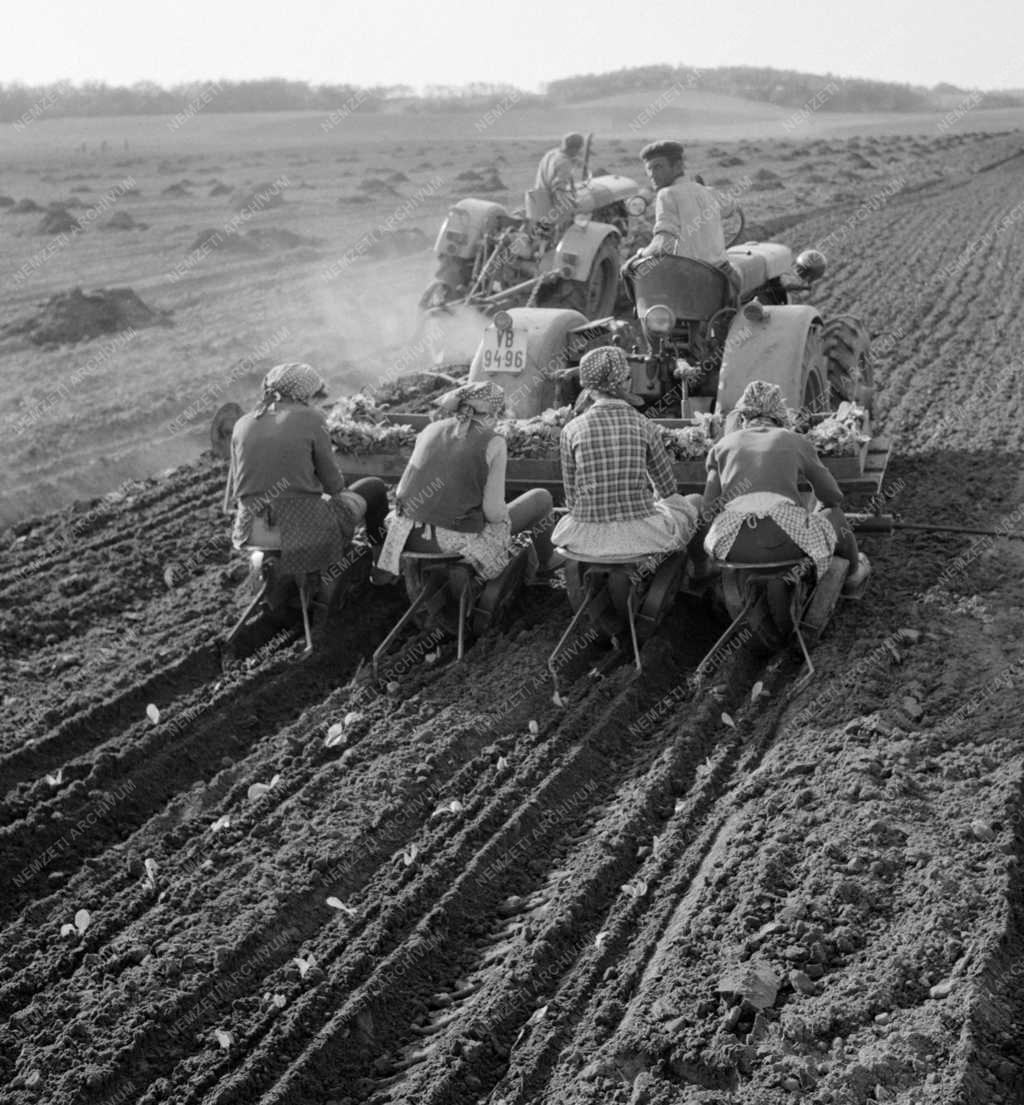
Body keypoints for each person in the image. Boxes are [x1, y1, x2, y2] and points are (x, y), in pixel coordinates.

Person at [223, 362, 389, 599]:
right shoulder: (311, 417)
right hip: (300, 528)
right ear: (305, 393)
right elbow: (333, 485)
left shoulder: (243, 423)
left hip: (251, 527)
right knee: (373, 488)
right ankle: (381, 570)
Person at [698, 379, 870, 593]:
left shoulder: (722, 446)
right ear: (779, 416)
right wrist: (817, 510)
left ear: (743, 417)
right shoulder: (793, 440)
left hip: (733, 548)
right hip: (787, 544)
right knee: (835, 515)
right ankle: (854, 575)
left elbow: (707, 509)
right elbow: (833, 496)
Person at [377, 381, 559, 580]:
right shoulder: (494, 441)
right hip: (448, 542)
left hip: (404, 535)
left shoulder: (430, 429)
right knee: (541, 498)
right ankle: (546, 566)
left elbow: (402, 490)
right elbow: (494, 513)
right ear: (494, 413)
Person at [551, 346, 703, 560]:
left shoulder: (571, 429)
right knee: (693, 502)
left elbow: (573, 500)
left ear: (588, 386)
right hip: (641, 534)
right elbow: (668, 490)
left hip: (585, 537)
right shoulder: (644, 425)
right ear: (625, 382)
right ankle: (697, 570)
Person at [632, 140, 741, 298]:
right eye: (649, 169)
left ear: (677, 167)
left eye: (658, 167)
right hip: (723, 276)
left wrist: (641, 254)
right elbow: (732, 207)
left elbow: (661, 246)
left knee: (632, 275)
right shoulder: (708, 192)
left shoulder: (667, 194)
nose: (652, 175)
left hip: (691, 279)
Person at [534, 132, 586, 227]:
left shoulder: (551, 154)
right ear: (574, 149)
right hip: (552, 207)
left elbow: (555, 166)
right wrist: (574, 205)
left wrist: (573, 161)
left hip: (538, 199)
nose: (579, 152)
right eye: (578, 149)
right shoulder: (564, 163)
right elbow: (559, 190)